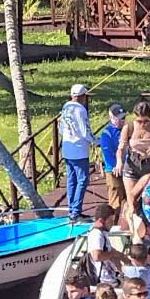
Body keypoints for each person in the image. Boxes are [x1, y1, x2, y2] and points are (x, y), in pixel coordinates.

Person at [116, 101, 150, 224]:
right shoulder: (129, 127)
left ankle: (149, 228)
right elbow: (121, 148)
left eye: (145, 121)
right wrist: (119, 162)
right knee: (132, 200)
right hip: (132, 165)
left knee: (149, 200)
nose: (142, 124)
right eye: (139, 121)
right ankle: (132, 231)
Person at [60, 83, 94, 220]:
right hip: (79, 150)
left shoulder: (66, 107)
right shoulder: (80, 110)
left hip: (67, 148)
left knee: (71, 179)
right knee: (82, 180)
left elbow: (61, 128)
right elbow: (85, 131)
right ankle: (75, 210)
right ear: (82, 96)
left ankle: (72, 208)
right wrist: (95, 141)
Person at [86, 204, 127, 285]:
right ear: (101, 220)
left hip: (109, 278)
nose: (112, 223)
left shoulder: (103, 233)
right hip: (103, 280)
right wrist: (113, 254)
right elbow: (97, 256)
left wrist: (122, 257)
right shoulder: (96, 234)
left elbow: (109, 251)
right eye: (110, 220)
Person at [99, 104, 128, 211]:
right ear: (111, 118)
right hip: (113, 170)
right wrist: (116, 166)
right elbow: (107, 154)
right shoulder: (107, 134)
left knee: (129, 200)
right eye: (119, 118)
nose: (122, 121)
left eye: (123, 118)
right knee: (115, 203)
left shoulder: (126, 130)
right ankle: (113, 224)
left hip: (127, 168)